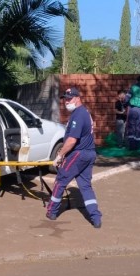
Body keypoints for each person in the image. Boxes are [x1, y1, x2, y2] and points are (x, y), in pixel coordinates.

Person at [46, 87, 102, 229]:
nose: (66, 101)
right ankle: (95, 218)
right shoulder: (84, 113)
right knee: (85, 186)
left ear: (78, 98)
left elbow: (71, 140)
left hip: (78, 154)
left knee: (60, 181)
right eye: (65, 98)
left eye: (69, 98)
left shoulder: (78, 114)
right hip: (89, 153)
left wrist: (60, 155)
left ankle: (51, 211)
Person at [126, 76, 140, 150]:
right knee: (138, 127)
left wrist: (126, 104)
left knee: (131, 126)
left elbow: (127, 97)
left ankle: (131, 145)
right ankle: (137, 146)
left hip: (133, 109)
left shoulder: (133, 87)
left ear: (137, 80)